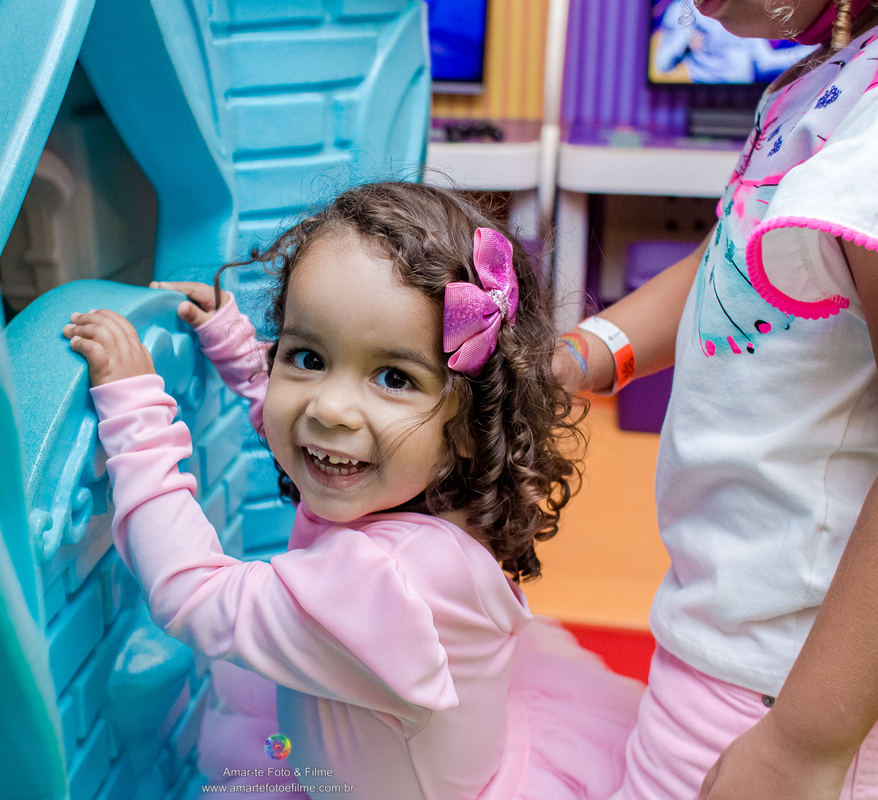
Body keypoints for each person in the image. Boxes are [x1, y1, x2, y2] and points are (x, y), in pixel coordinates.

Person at [63, 183, 643, 800]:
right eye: (308, 357)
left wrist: (135, 414)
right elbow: (316, 429)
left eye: (393, 377)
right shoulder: (436, 474)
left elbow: (194, 594)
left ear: (469, 424)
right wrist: (236, 346)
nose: (331, 407)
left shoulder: (381, 584)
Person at [553, 1, 878, 797]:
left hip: (791, 686)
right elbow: (728, 258)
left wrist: (805, 741)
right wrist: (585, 355)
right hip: (720, 641)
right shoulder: (820, 86)